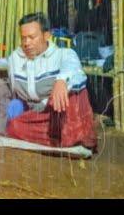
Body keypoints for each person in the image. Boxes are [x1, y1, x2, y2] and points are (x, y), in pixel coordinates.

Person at [5, 12, 97, 150]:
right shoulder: (15, 59)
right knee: (13, 127)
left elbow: (75, 69)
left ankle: (67, 136)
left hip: (61, 113)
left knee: (75, 91)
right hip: (39, 117)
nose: (26, 43)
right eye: (23, 38)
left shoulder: (63, 54)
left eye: (32, 37)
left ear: (46, 35)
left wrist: (61, 81)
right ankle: (65, 139)